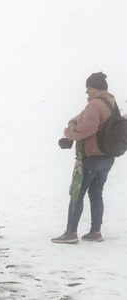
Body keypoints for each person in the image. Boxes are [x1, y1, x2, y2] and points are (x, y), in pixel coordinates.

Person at [52, 72, 116, 244]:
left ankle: (70, 233)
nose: (87, 92)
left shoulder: (95, 104)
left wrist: (69, 132)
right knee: (96, 193)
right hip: (107, 158)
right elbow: (81, 117)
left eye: (89, 89)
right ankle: (95, 232)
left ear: (96, 88)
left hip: (91, 158)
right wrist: (74, 121)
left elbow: (86, 129)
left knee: (77, 193)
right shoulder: (110, 101)